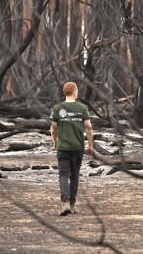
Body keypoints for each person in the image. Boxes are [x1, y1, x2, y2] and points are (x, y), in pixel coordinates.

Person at [50, 82, 94, 216]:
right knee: (74, 175)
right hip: (77, 147)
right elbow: (89, 127)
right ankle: (73, 204)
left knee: (63, 175)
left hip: (63, 147)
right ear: (75, 91)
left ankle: (65, 204)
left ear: (64, 92)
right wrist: (90, 145)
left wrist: (55, 141)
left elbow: (53, 128)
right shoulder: (82, 107)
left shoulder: (57, 108)